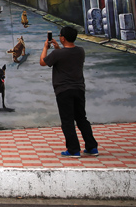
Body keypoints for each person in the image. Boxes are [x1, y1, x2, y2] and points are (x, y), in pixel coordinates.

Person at [39, 26, 99, 158]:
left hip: (63, 91)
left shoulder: (57, 54)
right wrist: (58, 48)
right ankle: (92, 147)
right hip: (79, 89)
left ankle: (73, 150)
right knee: (82, 118)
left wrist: (45, 48)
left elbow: (42, 62)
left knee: (67, 121)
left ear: (62, 38)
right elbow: (66, 57)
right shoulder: (80, 51)